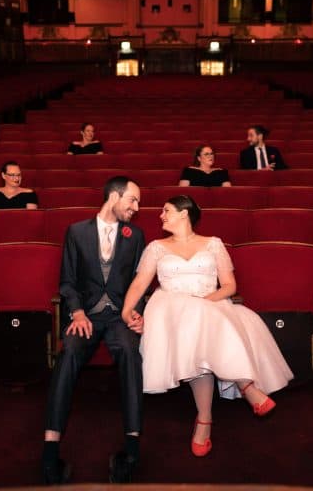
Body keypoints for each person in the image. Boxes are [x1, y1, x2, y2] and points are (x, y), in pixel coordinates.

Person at [121, 195, 293, 458]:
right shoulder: (156, 247)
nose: (161, 215)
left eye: (166, 210)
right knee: (193, 326)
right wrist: (126, 310)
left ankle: (204, 419)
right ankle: (245, 388)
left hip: (210, 304)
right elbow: (139, 283)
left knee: (204, 325)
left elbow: (229, 286)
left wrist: (204, 302)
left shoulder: (213, 244)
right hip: (171, 310)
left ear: (184, 213)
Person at [42, 176, 146, 485]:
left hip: (118, 318)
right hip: (84, 316)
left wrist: (137, 312)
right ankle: (50, 452)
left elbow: (139, 284)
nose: (137, 208)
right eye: (133, 200)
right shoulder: (76, 231)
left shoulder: (136, 235)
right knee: (69, 352)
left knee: (130, 351)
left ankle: (131, 449)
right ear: (114, 197)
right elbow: (67, 281)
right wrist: (76, 312)